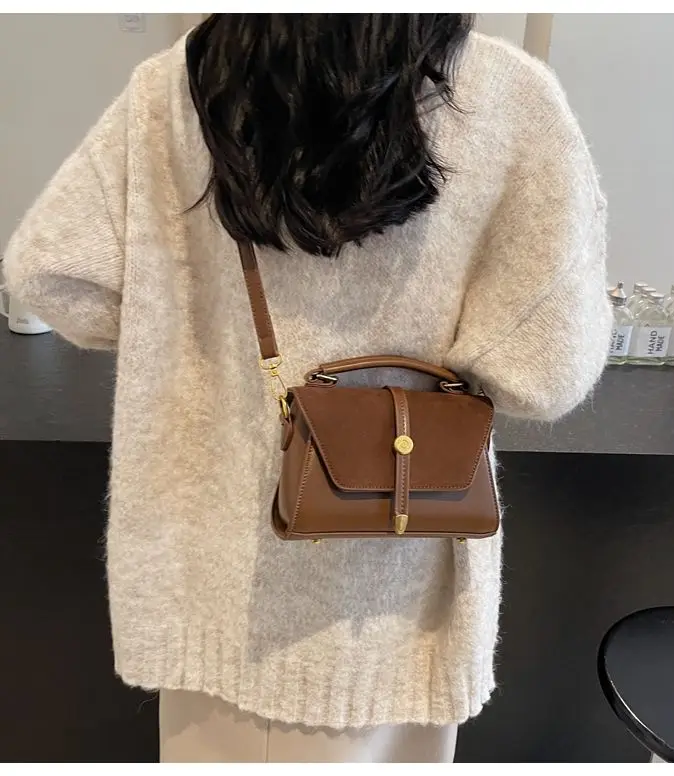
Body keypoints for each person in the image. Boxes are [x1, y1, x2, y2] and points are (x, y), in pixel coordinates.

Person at [3, 14, 612, 763]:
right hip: (402, 583)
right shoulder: (509, 94)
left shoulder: (177, 87)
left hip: (212, 580)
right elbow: (546, 371)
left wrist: (191, 329)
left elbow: (54, 277)